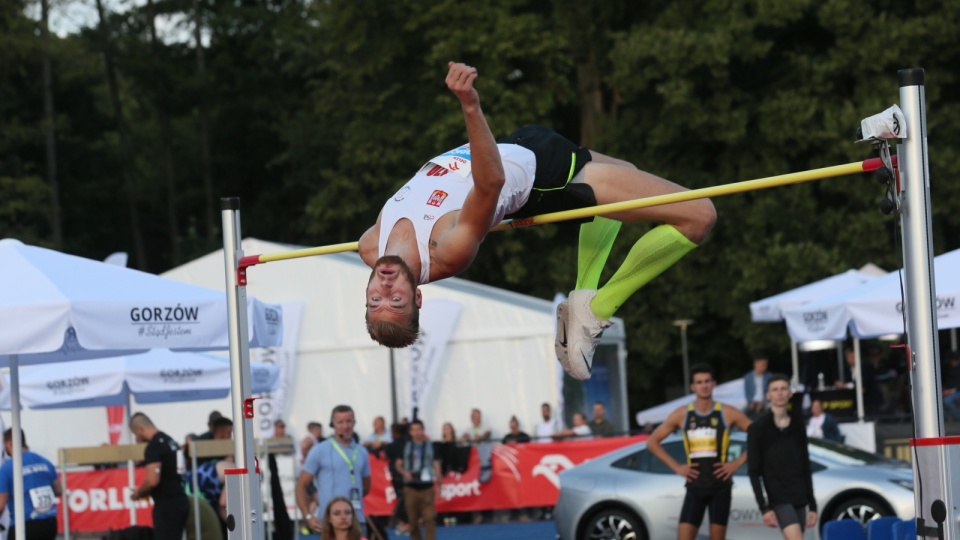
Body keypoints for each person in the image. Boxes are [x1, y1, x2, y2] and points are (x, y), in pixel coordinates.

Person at [358, 62, 716, 383]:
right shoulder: (448, 250)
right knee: (699, 216)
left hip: (519, 144)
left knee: (630, 174)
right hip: (543, 177)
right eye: (397, 301)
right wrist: (469, 104)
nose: (385, 291)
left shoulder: (370, 246)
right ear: (417, 297)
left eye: (376, 300)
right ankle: (597, 308)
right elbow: (490, 182)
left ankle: (583, 297)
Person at [646, 363, 752, 540]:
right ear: (693, 387)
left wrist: (737, 463)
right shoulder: (682, 414)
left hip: (720, 487)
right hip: (695, 487)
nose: (704, 385)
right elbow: (652, 442)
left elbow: (760, 436)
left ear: (714, 384)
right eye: (699, 382)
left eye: (707, 381)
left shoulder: (727, 412)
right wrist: (677, 467)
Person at [748, 375, 818, 539]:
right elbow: (754, 471)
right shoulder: (758, 428)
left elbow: (805, 466)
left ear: (790, 393)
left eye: (783, 389)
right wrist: (764, 507)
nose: (779, 393)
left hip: (799, 495)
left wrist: (813, 506)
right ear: (768, 395)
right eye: (775, 389)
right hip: (778, 498)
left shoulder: (798, 425)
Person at [296, 405, 371, 535]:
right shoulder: (320, 450)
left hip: (357, 521)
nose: (345, 426)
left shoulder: (361, 451)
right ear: (333, 424)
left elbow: (366, 487)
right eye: (340, 422)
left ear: (354, 423)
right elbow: (301, 485)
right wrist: (308, 516)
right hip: (329, 522)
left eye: (349, 421)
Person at [129, 412, 190, 540]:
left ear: (140, 430)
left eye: (136, 435)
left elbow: (152, 480)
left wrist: (138, 493)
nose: (137, 439)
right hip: (181, 500)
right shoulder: (170, 441)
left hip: (166, 505)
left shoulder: (154, 447)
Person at [0, 429, 60, 540]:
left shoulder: (7, 469)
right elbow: (58, 490)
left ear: (9, 443)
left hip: (24, 526)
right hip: (49, 524)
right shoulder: (45, 462)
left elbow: (1, 504)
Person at [396, 420, 441, 540]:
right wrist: (404, 472)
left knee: (429, 519)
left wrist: (439, 484)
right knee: (412, 522)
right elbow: (398, 464)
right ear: (410, 432)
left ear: (423, 430)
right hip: (410, 489)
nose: (416, 432)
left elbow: (436, 464)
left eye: (418, 429)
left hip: (427, 487)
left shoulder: (430, 446)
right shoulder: (405, 445)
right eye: (414, 430)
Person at [384, 422, 411, 536]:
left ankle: (404, 523)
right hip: (408, 475)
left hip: (397, 476)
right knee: (406, 500)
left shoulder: (392, 445)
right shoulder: (408, 443)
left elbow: (384, 455)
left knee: (402, 500)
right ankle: (404, 523)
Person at [942, 352, 960, 421]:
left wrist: (951, 391)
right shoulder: (949, 369)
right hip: (950, 391)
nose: (950, 362)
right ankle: (944, 419)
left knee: (947, 401)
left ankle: (957, 417)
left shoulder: (958, 369)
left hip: (957, 391)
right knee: (938, 400)